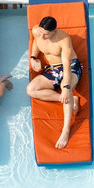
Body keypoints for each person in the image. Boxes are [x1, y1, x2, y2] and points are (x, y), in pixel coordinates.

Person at [27, 14, 84, 149]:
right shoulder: (37, 31)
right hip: (53, 69)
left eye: (46, 35)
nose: (42, 37)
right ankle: (70, 99)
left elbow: (66, 66)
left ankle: (66, 130)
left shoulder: (64, 40)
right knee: (31, 89)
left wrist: (66, 87)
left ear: (55, 31)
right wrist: (33, 57)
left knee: (67, 89)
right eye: (41, 32)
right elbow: (36, 41)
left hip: (69, 67)